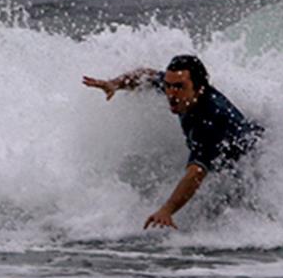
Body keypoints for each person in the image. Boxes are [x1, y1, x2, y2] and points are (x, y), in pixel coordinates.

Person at [83, 55, 263, 230]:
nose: (171, 93)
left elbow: (196, 173)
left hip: (248, 163)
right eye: (168, 86)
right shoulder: (180, 90)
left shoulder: (209, 118)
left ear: (199, 88)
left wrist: (167, 210)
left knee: (229, 218)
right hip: (231, 147)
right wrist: (114, 84)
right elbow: (146, 75)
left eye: (178, 87)